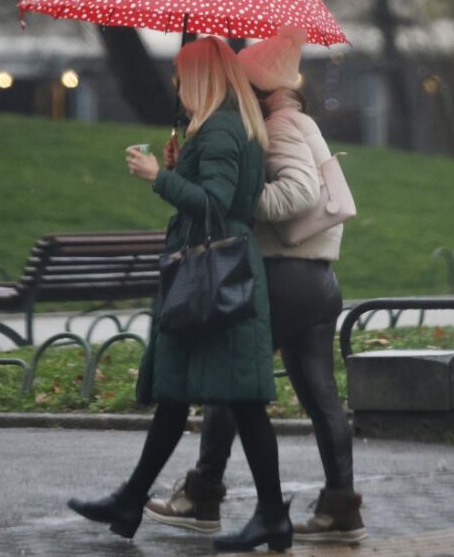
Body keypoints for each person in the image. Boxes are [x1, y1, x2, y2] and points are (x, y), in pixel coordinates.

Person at [66, 36, 292, 553]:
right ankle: (133, 499)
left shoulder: (218, 130)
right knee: (178, 394)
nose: (176, 85)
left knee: (244, 400)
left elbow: (212, 204)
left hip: (214, 274)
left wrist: (159, 177)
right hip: (221, 270)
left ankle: (273, 516)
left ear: (201, 78)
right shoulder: (233, 125)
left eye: (182, 76)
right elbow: (226, 194)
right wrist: (179, 162)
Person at [144, 26, 366, 544]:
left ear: (260, 88)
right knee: (320, 396)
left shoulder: (282, 123)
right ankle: (341, 508)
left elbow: (298, 192)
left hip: (284, 275)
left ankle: (203, 493)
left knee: (230, 378)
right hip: (317, 280)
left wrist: (238, 202)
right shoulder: (297, 120)